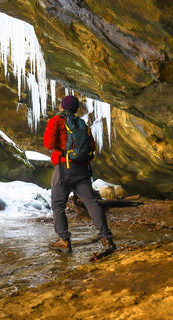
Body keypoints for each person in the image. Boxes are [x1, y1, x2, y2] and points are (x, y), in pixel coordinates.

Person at [43, 95, 116, 253]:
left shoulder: (57, 120)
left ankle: (64, 240)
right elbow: (93, 146)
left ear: (62, 107)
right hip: (82, 169)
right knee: (91, 202)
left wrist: (60, 148)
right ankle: (106, 238)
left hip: (64, 167)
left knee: (58, 204)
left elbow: (48, 143)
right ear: (75, 109)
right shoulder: (82, 123)